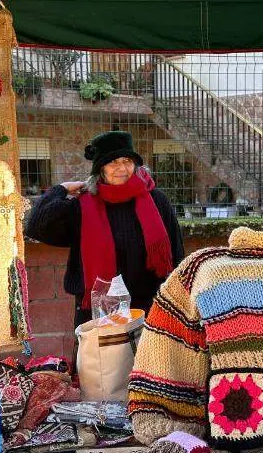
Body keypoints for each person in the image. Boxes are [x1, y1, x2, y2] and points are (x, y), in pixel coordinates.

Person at [25, 130, 184, 327]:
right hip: (97, 313)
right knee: (101, 359)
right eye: (113, 162)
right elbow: (36, 225)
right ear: (100, 169)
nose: (122, 168)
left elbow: (176, 253)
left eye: (127, 161)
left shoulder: (156, 200)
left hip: (150, 309)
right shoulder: (83, 206)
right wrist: (62, 188)